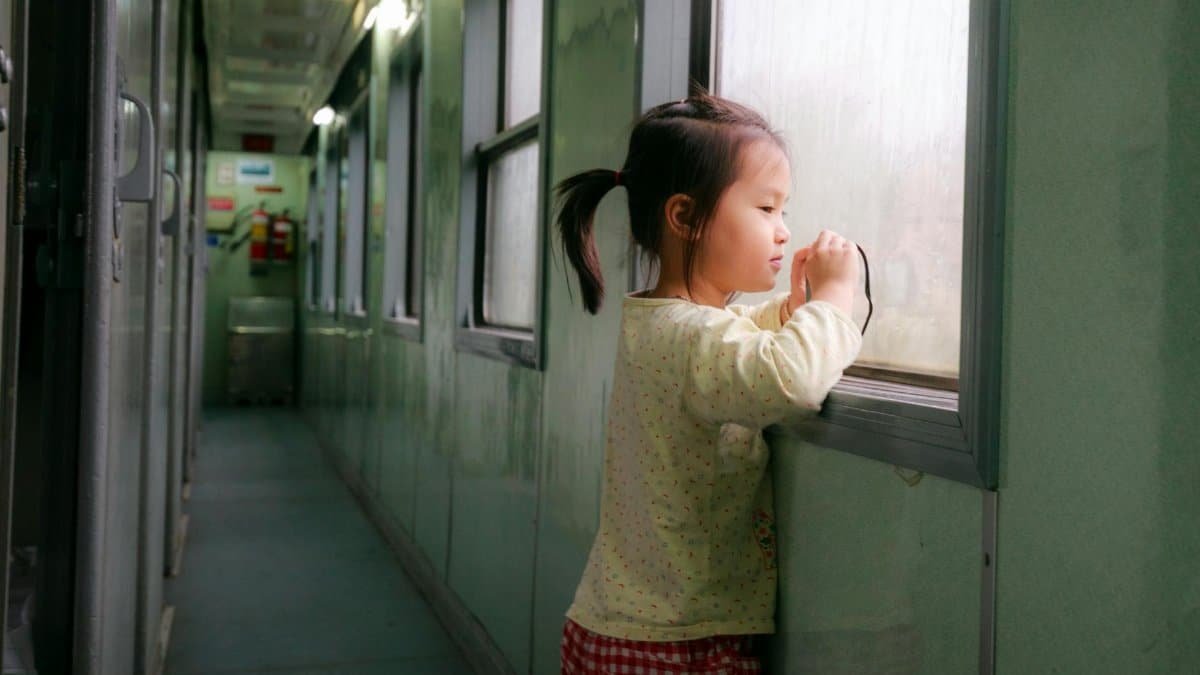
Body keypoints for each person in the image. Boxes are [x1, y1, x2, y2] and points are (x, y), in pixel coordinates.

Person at [553, 92, 863, 674]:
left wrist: (796, 309)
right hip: (673, 644)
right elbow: (789, 379)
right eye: (766, 209)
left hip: (628, 628)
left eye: (784, 211)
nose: (782, 231)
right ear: (685, 217)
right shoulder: (690, 339)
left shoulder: (660, 322)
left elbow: (739, 334)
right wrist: (837, 298)